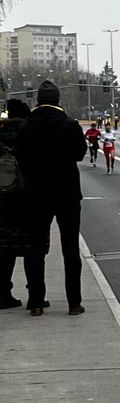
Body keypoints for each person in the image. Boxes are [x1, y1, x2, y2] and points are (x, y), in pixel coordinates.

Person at [16, 80, 87, 316]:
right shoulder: (70, 125)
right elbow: (79, 154)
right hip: (66, 192)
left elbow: (20, 158)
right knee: (70, 248)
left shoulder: (25, 127)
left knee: (35, 248)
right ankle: (74, 302)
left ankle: (36, 301)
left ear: (37, 100)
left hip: (36, 193)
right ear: (58, 100)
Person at [0, 99, 32, 309]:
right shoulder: (30, 134)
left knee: (4, 250)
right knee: (33, 248)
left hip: (2, 198)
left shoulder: (1, 134)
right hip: (26, 198)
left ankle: (4, 292)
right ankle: (36, 294)